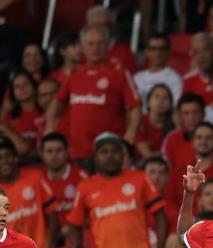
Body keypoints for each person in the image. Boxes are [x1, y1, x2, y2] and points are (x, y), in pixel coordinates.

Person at [45, 25, 142, 169]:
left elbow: (135, 106)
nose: (95, 48)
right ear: (83, 46)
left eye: (100, 43)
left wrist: (130, 134)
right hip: (77, 151)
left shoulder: (119, 72)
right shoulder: (74, 73)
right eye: (90, 43)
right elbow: (57, 102)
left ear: (107, 46)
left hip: (108, 151)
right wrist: (49, 127)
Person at [67, 132, 167, 248]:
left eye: (115, 151)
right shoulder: (85, 186)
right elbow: (74, 223)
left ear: (123, 155)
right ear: (95, 157)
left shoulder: (140, 178)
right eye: (104, 152)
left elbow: (160, 215)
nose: (110, 156)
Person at [0, 137, 59, 248]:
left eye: (8, 155)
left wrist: (50, 242)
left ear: (15, 158)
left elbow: (52, 212)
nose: (4, 161)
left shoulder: (35, 178)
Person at [167, 121, 213, 215]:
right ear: (192, 142)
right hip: (184, 226)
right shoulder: (180, 171)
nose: (203, 141)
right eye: (199, 137)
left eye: (208, 138)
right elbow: (169, 203)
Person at [41, 133, 88, 248]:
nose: (54, 156)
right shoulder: (37, 180)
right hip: (49, 239)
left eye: (58, 150)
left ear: (68, 151)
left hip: (79, 236)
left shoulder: (82, 177)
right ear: (42, 154)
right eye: (49, 151)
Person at [161, 92, 213, 170]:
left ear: (203, 114)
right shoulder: (172, 139)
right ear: (179, 116)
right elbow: (167, 172)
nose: (191, 118)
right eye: (186, 113)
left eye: (195, 112)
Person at [134, 34, 182, 108]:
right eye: (153, 49)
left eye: (162, 49)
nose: (157, 53)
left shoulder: (175, 79)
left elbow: (175, 107)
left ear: (168, 52)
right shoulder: (137, 77)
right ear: (146, 52)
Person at [2, 69, 43, 155]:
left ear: (34, 86)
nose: (21, 89)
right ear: (13, 93)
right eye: (17, 87)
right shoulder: (9, 117)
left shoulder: (45, 112)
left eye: (26, 84)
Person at [86, 5, 137, 74]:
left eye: (105, 25)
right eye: (96, 25)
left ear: (112, 26)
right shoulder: (80, 51)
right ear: (88, 26)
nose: (101, 28)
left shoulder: (124, 52)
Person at [135, 84, 174, 159]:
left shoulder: (173, 124)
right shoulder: (139, 121)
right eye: (156, 97)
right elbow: (145, 152)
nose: (160, 101)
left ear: (170, 105)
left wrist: (177, 124)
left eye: (165, 98)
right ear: (148, 102)